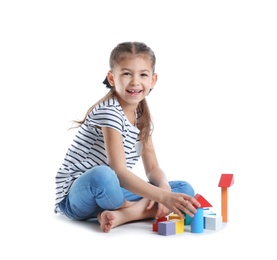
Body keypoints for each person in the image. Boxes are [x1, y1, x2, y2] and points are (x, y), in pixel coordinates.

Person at [55, 41, 200, 233]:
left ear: (153, 80)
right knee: (104, 174)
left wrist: (164, 189)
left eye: (143, 75)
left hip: (113, 191)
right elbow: (120, 172)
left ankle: (121, 215)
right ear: (112, 78)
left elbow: (153, 168)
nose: (135, 82)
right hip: (79, 195)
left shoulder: (141, 116)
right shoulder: (109, 112)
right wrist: (160, 198)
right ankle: (130, 209)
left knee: (183, 190)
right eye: (126, 73)